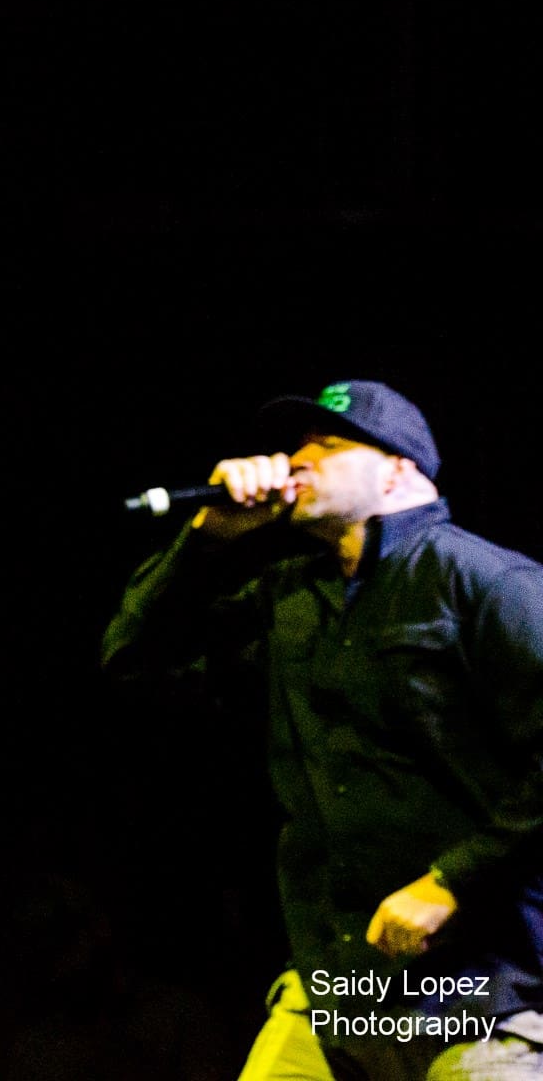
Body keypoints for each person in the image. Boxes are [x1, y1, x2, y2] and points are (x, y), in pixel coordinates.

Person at [101, 379, 543, 1080]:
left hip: (481, 990)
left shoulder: (489, 582)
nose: (296, 460)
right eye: (295, 446)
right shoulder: (291, 597)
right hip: (335, 987)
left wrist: (451, 881)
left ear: (400, 472)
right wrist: (206, 539)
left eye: (328, 445)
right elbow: (133, 665)